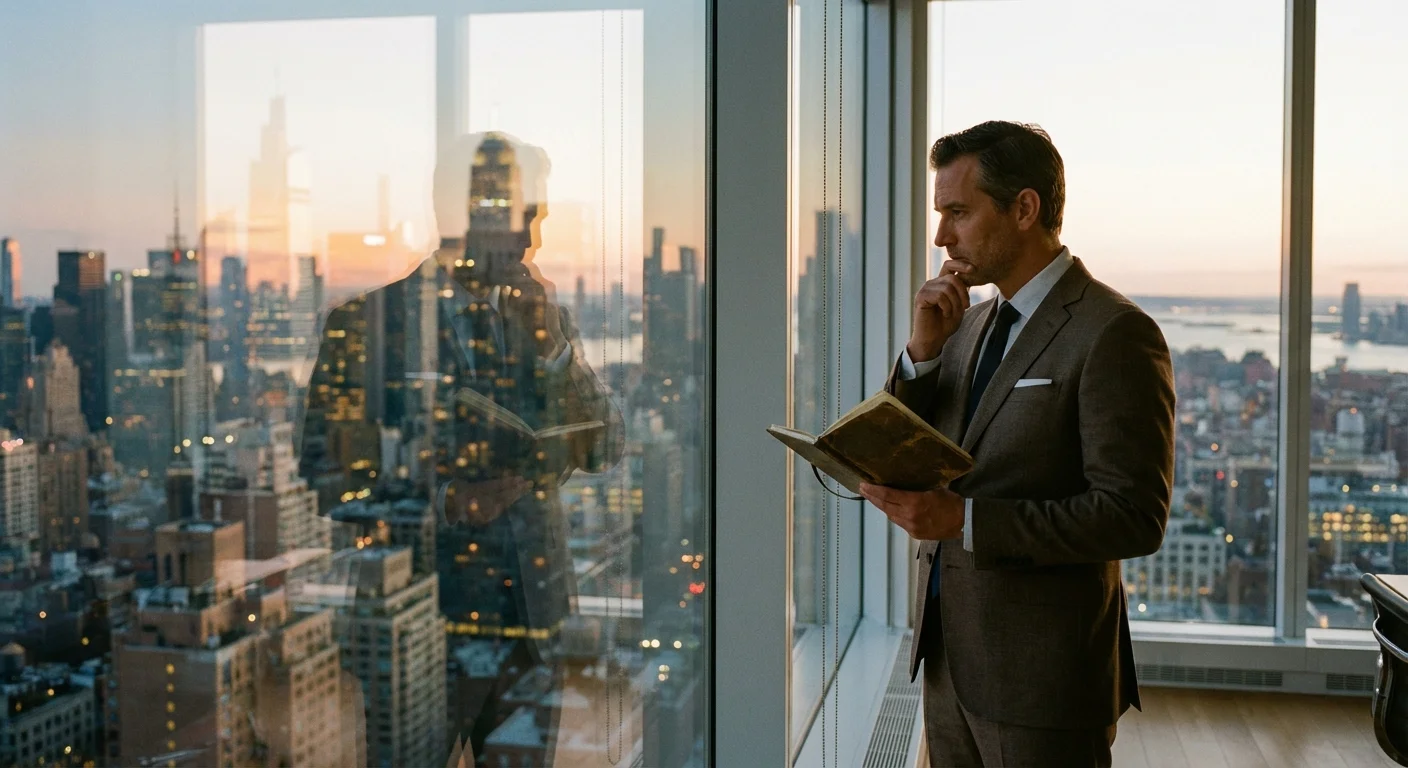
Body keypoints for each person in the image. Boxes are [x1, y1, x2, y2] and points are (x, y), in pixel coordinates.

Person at [300, 131, 623, 767]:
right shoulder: (366, 324)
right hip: (422, 630)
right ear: (471, 215)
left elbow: (606, 446)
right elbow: (325, 477)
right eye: (524, 217)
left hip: (534, 621)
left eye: (538, 218)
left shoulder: (537, 316)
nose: (532, 239)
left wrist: (555, 350)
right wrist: (449, 504)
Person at [859, 121, 1175, 767]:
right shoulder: (969, 321)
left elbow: (1133, 518)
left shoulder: (1113, 332)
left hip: (1043, 675)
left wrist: (964, 519)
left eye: (958, 212)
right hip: (948, 652)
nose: (942, 235)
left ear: (1024, 208)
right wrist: (921, 354)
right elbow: (907, 439)